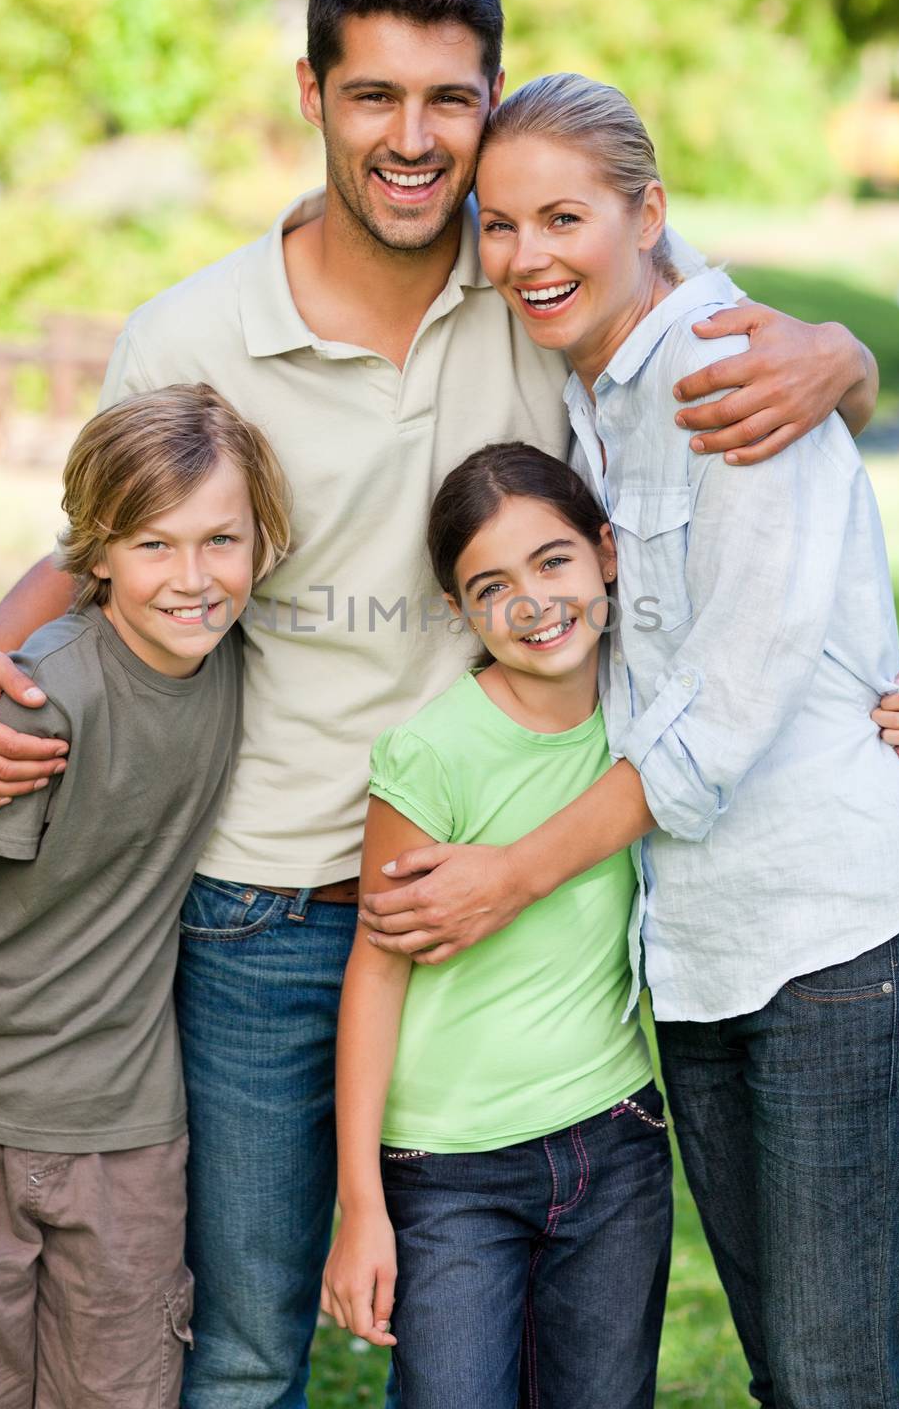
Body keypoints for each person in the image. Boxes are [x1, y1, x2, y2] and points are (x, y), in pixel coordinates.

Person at [0, 0, 899, 1408]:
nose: (411, 139)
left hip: (526, 903)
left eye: (447, 99)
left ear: (491, 100)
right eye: (371, 96)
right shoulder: (193, 333)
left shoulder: (534, 284)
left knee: (541, 1334)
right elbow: (104, 544)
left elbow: (710, 339)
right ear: (311, 93)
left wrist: (839, 353)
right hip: (264, 915)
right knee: (252, 1343)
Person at [366, 73, 899, 1408]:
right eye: (501, 223)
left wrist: (506, 874)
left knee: (830, 1380)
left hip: (837, 938)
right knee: (788, 1375)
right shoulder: (597, 380)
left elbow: (721, 720)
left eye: (563, 218)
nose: (526, 256)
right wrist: (851, 357)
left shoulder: (726, 371)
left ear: (646, 213)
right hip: (700, 957)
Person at [0, 384, 289, 1409]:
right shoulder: (42, 703)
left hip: (128, 1130)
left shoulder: (237, 656)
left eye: (221, 540)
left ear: (264, 540)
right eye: (152, 545)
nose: (192, 580)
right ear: (94, 557)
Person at [322, 443, 671, 1409]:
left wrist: (894, 714)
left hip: (614, 1139)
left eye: (552, 561)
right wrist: (362, 1207)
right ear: (459, 612)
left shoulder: (647, 714)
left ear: (606, 554)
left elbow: (769, 712)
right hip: (449, 1174)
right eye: (492, 585)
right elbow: (376, 971)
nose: (532, 602)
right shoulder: (434, 753)